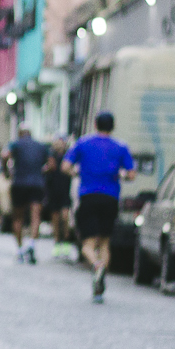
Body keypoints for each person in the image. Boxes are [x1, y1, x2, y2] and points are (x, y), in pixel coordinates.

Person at [64, 112, 136, 303]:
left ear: (95, 124)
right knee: (104, 242)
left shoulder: (83, 143)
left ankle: (96, 265)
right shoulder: (120, 146)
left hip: (88, 196)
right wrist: (119, 175)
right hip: (110, 197)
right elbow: (131, 174)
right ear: (112, 126)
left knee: (88, 244)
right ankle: (100, 284)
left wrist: (76, 173)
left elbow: (65, 166)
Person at [4, 126, 50, 264]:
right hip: (37, 183)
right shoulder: (41, 146)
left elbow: (5, 155)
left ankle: (19, 249)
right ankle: (31, 244)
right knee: (35, 215)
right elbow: (51, 164)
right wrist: (41, 171)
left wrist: (7, 170)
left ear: (20, 134)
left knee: (18, 217)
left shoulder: (15, 144)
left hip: (19, 183)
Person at [44, 137, 74, 259]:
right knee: (55, 219)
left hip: (66, 191)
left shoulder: (68, 157)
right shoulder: (51, 156)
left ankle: (66, 241)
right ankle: (57, 243)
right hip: (53, 191)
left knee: (65, 217)